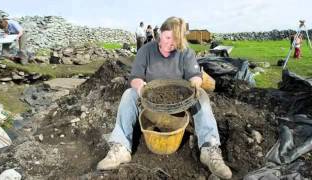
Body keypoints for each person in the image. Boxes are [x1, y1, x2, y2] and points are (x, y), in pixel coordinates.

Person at [97, 16, 232, 179]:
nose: (171, 43)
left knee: (202, 95)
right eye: (167, 37)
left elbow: (195, 75)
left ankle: (209, 149)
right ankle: (120, 148)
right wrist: (141, 89)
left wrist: (195, 85)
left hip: (181, 102)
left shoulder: (185, 52)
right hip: (149, 100)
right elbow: (135, 77)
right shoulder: (145, 51)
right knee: (128, 94)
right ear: (159, 34)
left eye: (175, 39)